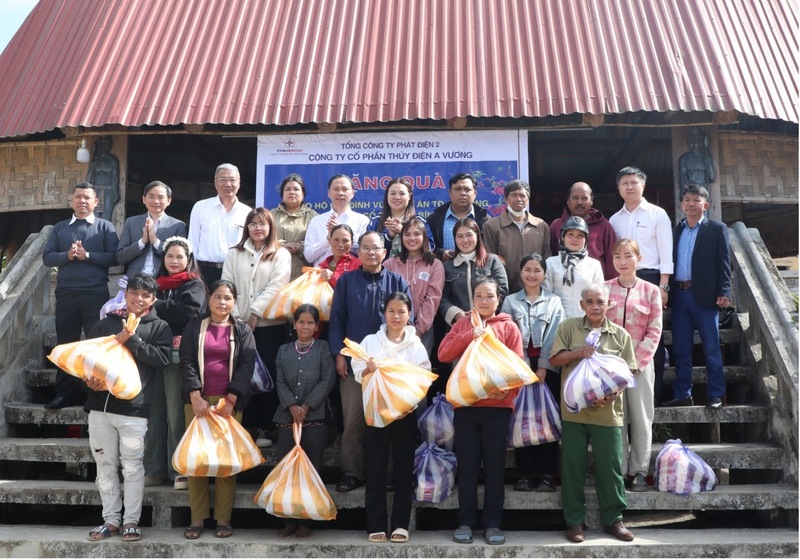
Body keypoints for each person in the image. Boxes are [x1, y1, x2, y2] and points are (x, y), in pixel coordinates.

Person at [84, 273, 172, 542]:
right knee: (105, 465)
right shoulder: (106, 323)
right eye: (134, 292)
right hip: (99, 408)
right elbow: (85, 358)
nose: (139, 299)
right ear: (126, 294)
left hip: (134, 410)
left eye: (146, 295)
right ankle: (110, 520)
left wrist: (132, 340)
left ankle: (131, 521)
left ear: (153, 300)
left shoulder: (160, 327)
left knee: (133, 467)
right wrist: (88, 381)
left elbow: (162, 359)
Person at [550, 283, 637, 543]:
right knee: (572, 468)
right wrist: (580, 353)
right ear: (582, 305)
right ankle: (574, 522)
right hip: (574, 414)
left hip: (607, 413)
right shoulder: (569, 328)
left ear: (609, 304)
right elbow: (555, 359)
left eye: (600, 301)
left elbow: (629, 372)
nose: (595, 306)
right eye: (590, 302)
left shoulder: (620, 335)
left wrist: (611, 395)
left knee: (610, 467)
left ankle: (614, 519)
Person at [438, 277, 523, 546]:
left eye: (489, 296)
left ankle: (493, 523)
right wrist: (468, 335)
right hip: (466, 407)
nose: (484, 301)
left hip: (497, 409)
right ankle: (465, 521)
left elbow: (518, 368)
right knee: (467, 467)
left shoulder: (508, 327)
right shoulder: (464, 323)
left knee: (495, 468)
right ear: (472, 299)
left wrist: (506, 394)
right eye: (478, 296)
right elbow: (443, 354)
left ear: (498, 299)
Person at [327, 231, 410, 493]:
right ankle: (353, 472)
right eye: (365, 248)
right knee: (353, 420)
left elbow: (407, 320)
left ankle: (388, 473)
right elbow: (337, 319)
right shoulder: (346, 282)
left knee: (388, 418)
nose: (371, 253)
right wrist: (339, 354)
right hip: (355, 363)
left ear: (385, 252)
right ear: (358, 252)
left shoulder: (397, 281)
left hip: (388, 365)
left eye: (376, 248)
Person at [351, 292, 431, 544]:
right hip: (376, 411)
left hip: (405, 414)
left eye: (401, 312)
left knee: (404, 469)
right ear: (384, 313)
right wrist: (368, 369)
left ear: (409, 315)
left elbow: (423, 378)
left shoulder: (415, 345)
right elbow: (357, 371)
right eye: (391, 311)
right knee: (375, 469)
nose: (396, 316)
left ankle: (400, 524)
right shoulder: (370, 341)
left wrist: (410, 405)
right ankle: (375, 525)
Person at [180, 279, 257, 540]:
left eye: (228, 298)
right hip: (198, 403)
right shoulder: (195, 326)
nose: (222, 302)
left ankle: (223, 519)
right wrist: (195, 395)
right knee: (197, 462)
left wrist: (232, 398)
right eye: (217, 297)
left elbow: (247, 365)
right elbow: (187, 361)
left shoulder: (242, 330)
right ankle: (197, 518)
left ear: (234, 301)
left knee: (226, 462)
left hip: (228, 404)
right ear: (209, 299)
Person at [42, 182, 119, 409]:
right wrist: (67, 255)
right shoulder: (60, 228)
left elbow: (114, 258)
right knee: (66, 342)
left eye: (87, 197)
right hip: (66, 292)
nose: (82, 201)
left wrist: (88, 255)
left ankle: (95, 395)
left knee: (96, 343)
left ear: (96, 202)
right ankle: (64, 393)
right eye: (78, 197)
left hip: (95, 293)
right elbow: (47, 257)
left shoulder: (105, 227)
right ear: (72, 201)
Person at [222, 208, 291, 446]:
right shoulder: (235, 253)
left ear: (271, 227)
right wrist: (235, 317)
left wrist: (255, 313)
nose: (258, 228)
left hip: (270, 325)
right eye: (253, 224)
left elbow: (277, 286)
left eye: (262, 224)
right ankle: (244, 425)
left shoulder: (281, 254)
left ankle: (265, 428)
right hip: (238, 324)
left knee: (267, 375)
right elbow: (227, 286)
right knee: (241, 374)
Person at [500, 253, 565, 493]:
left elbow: (555, 334)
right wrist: (523, 366)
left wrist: (543, 366)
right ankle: (524, 474)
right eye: (528, 269)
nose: (532, 274)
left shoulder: (554, 301)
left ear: (544, 274)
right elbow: (507, 334)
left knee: (547, 419)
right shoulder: (510, 301)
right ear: (520, 273)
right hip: (519, 366)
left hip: (548, 367)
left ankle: (547, 475)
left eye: (537, 270)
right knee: (523, 420)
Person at [663, 184, 731, 410]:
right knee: (681, 348)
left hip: (705, 297)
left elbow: (724, 262)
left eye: (696, 200)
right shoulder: (675, 231)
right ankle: (683, 393)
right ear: (681, 204)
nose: (691, 204)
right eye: (687, 200)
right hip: (680, 296)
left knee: (711, 347)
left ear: (706, 205)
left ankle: (716, 394)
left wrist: (724, 291)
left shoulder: (717, 229)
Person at [609, 166, 672, 402]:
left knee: (653, 336)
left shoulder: (657, 214)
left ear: (643, 186)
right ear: (618, 188)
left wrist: (664, 285)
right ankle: (622, 391)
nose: (629, 187)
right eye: (624, 183)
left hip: (650, 278)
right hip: (623, 279)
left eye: (634, 182)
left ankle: (653, 394)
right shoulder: (614, 219)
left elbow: (666, 251)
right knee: (624, 334)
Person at [273, 304, 335, 539]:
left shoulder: (323, 348)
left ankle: (306, 521)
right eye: (301, 322)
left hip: (315, 416)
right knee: (286, 469)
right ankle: (288, 519)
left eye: (310, 322)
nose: (305, 326)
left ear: (317, 326)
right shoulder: (283, 350)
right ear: (294, 324)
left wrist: (307, 406)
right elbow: (280, 381)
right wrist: (291, 406)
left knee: (310, 470)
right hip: (286, 415)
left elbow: (327, 380)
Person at [150, 236, 208, 490]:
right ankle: (153, 469)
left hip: (178, 354)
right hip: (152, 352)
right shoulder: (155, 284)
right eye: (170, 256)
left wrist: (156, 305)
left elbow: (186, 312)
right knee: (154, 413)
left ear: (188, 260)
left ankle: (178, 470)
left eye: (180, 257)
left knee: (175, 413)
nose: (174, 261)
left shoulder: (194, 285)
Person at [604, 239, 663, 491]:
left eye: (628, 256)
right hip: (611, 364)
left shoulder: (651, 291)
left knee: (641, 417)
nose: (623, 261)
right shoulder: (604, 289)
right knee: (617, 419)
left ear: (639, 259)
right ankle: (618, 470)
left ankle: (638, 471)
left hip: (641, 364)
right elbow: (598, 327)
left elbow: (654, 331)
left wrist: (635, 363)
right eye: (617, 256)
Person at [383, 217, 445, 354]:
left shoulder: (435, 264)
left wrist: (419, 329)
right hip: (392, 328)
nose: (412, 238)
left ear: (424, 237)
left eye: (417, 234)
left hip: (423, 330)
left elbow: (433, 299)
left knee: (417, 366)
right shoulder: (389, 264)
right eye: (407, 234)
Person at [483, 179, 551, 293]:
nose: (518, 199)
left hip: (535, 291)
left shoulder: (541, 226)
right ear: (506, 198)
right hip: (504, 290)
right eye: (514, 195)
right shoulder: (492, 226)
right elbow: (489, 259)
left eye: (522, 195)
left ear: (528, 198)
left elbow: (546, 259)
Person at [188, 163, 252, 284]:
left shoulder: (247, 212)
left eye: (232, 180)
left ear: (239, 183)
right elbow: (193, 241)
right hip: (204, 271)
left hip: (235, 271)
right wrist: (193, 270)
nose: (228, 184)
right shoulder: (200, 207)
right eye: (223, 179)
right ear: (215, 183)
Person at [439, 217, 509, 327]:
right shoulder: (447, 267)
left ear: (477, 235)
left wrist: (482, 313)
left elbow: (503, 292)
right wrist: (457, 314)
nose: (465, 240)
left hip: (489, 325)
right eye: (460, 236)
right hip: (459, 327)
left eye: (469, 235)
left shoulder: (492, 261)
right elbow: (443, 299)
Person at [117, 181, 187, 277]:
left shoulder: (177, 225)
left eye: (161, 197)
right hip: (135, 280)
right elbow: (120, 257)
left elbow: (180, 258)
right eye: (151, 196)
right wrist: (142, 242)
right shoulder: (131, 222)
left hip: (162, 280)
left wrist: (155, 241)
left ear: (169, 200)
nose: (156, 201)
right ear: (144, 199)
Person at [549, 182, 618, 279]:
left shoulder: (604, 226)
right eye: (575, 198)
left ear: (591, 201)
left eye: (585, 198)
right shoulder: (557, 225)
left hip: (595, 284)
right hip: (561, 283)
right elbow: (551, 255)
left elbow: (612, 259)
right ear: (568, 200)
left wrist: (611, 285)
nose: (580, 202)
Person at [543, 216, 604, 319]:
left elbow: (599, 297)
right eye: (570, 234)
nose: (575, 239)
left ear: (586, 240)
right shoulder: (551, 263)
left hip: (585, 322)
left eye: (580, 235)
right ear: (563, 237)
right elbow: (546, 295)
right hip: (557, 321)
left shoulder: (594, 265)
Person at [304, 174, 370, 266]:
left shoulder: (363, 220)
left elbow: (365, 251)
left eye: (345, 189)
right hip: (321, 273)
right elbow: (309, 256)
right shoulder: (317, 221)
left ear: (352, 193)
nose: (340, 193)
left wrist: (341, 232)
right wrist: (328, 239)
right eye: (336, 189)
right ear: (329, 193)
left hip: (352, 273)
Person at [367, 177, 434, 258]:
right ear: (387, 196)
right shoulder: (376, 221)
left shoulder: (419, 221)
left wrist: (403, 232)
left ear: (409, 196)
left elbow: (430, 248)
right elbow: (368, 248)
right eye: (392, 193)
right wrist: (388, 236)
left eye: (402, 193)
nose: (397, 197)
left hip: (413, 265)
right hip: (383, 266)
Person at [427, 173, 487, 261]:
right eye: (457, 189)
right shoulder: (434, 219)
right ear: (450, 193)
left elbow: (490, 248)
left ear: (475, 194)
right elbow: (427, 246)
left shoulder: (485, 219)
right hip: (445, 268)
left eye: (467, 190)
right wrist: (441, 253)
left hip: (477, 268)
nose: (462, 193)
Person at [271, 174, 317, 280]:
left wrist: (299, 247)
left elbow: (318, 244)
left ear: (303, 194)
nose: (292, 192)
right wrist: (281, 246)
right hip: (275, 273)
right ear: (282, 195)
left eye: (296, 189)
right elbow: (262, 241)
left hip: (304, 276)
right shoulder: (271, 215)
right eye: (287, 189)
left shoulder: (314, 217)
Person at [678, 127, 716, 193]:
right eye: (692, 141)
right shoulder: (685, 158)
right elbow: (683, 180)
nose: (696, 144)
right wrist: (683, 193)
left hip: (703, 190)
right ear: (688, 141)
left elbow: (712, 178)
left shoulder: (706, 157)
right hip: (690, 191)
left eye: (699, 140)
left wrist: (708, 161)